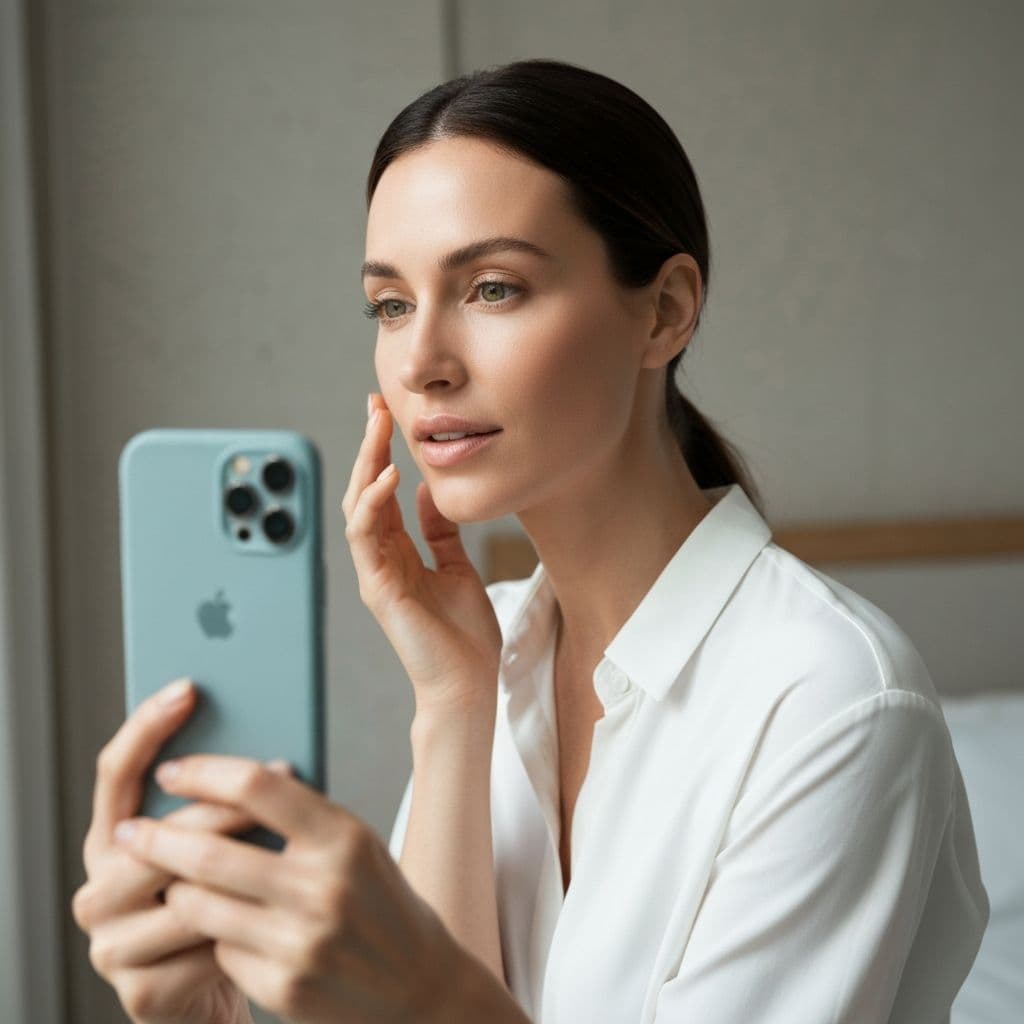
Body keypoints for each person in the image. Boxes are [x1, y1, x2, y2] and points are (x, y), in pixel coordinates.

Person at [73, 57, 988, 1024]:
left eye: (493, 288)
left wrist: (418, 991)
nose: (421, 362)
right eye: (390, 304)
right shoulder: (485, 653)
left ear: (666, 310)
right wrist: (201, 1015)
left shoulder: (831, 699)